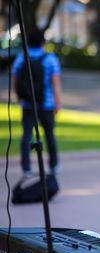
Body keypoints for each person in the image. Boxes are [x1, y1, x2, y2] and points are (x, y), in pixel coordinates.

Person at [12, 29, 62, 177]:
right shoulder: (50, 59)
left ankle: (26, 168)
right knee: (49, 135)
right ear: (43, 43)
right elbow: (55, 83)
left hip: (28, 104)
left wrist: (19, 96)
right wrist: (57, 102)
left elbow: (15, 79)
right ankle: (53, 165)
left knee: (27, 135)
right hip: (46, 104)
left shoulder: (22, 58)